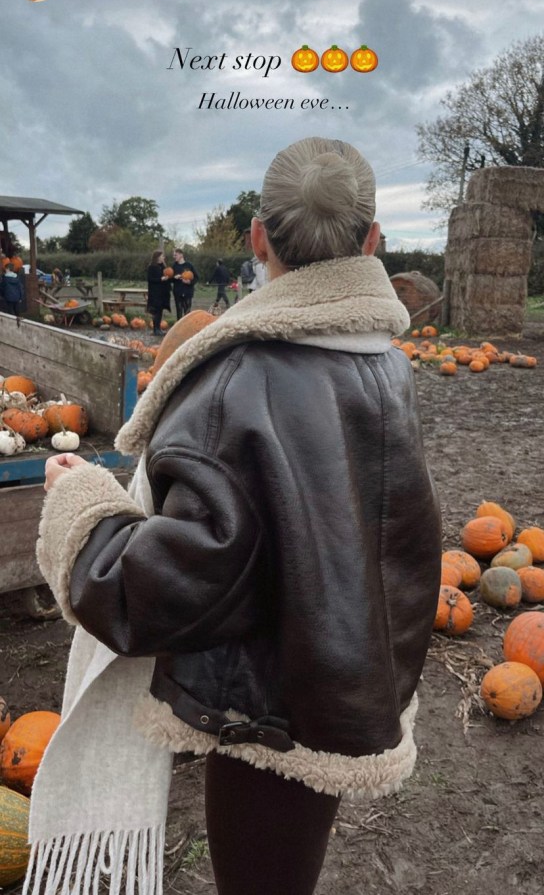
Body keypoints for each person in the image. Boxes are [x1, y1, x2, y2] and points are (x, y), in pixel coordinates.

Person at [35, 136, 441, 895]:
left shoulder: (237, 378)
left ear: (258, 237)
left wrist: (80, 500)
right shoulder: (383, 358)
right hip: (337, 675)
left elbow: (166, 588)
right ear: (372, 241)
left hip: (268, 707)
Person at [146, 250, 171, 336]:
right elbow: (150, 279)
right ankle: (155, 329)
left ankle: (159, 328)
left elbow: (167, 275)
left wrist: (167, 279)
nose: (163, 257)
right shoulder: (152, 267)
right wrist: (160, 279)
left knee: (160, 310)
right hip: (155, 292)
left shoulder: (163, 267)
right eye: (162, 256)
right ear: (157, 257)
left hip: (162, 292)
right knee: (155, 311)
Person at [172, 249, 199, 319]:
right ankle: (178, 327)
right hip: (177, 291)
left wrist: (189, 282)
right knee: (179, 311)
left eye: (176, 255)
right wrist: (174, 277)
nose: (174, 256)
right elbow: (170, 279)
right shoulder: (174, 266)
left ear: (181, 255)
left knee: (187, 312)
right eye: (174, 255)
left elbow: (196, 277)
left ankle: (187, 328)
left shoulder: (189, 265)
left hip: (187, 291)